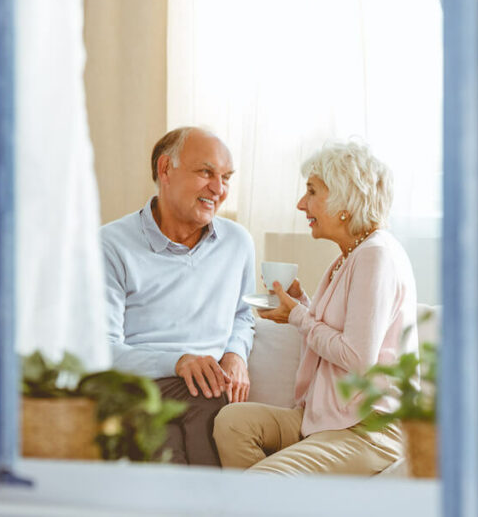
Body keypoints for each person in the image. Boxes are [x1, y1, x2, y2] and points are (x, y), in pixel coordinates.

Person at [212, 140, 417, 475]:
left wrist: (297, 315)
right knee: (232, 422)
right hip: (326, 417)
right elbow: (340, 330)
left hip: (368, 427)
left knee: (264, 480)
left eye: (311, 192)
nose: (300, 204)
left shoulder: (375, 255)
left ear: (343, 201)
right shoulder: (349, 257)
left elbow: (357, 359)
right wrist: (302, 303)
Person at [100, 126, 256, 466]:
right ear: (165, 169)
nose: (219, 189)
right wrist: (177, 361)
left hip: (207, 390)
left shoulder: (237, 243)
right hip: (137, 387)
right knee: (175, 422)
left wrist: (236, 354)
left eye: (226, 177)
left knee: (187, 424)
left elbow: (243, 315)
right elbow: (103, 351)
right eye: (206, 173)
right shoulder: (111, 245)